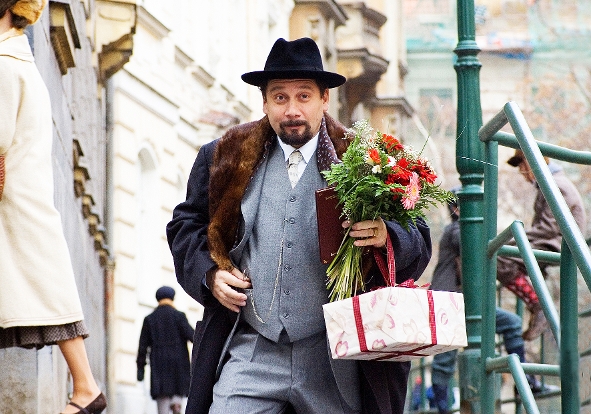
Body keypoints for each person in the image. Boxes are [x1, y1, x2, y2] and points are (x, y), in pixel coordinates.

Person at [166, 37, 432, 414]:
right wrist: (209, 273)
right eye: (280, 97)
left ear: (325, 99)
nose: (292, 110)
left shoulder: (365, 160)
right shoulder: (223, 157)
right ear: (264, 103)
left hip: (337, 356)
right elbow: (186, 225)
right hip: (252, 348)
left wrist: (387, 234)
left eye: (304, 96)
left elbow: (418, 235)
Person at [0, 1, 106, 413]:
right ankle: (85, 387)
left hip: (14, 205)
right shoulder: (19, 62)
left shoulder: (5, 65)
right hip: (22, 201)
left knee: (47, 294)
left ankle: (86, 387)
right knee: (45, 293)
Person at [429, 191, 558, 414]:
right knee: (445, 354)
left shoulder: (462, 230)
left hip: (468, 302)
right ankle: (441, 407)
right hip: (449, 301)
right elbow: (471, 244)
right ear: (456, 209)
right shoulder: (456, 230)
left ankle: (527, 382)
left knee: (511, 323)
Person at [498, 150, 586, 340]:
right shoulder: (550, 183)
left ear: (531, 163)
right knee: (504, 253)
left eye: (522, 166)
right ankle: (539, 302)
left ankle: (539, 305)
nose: (521, 172)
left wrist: (510, 242)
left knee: (500, 257)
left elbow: (547, 228)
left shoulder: (555, 184)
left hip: (558, 243)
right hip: (552, 241)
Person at [137, 286, 195, 414]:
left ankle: (168, 407)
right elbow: (192, 336)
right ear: (172, 298)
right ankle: (176, 404)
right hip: (179, 365)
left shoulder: (150, 319)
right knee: (178, 390)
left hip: (159, 366)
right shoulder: (179, 316)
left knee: (162, 400)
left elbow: (142, 347)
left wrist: (140, 369)